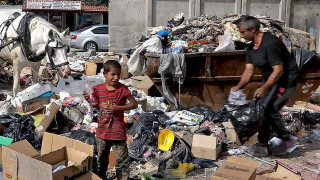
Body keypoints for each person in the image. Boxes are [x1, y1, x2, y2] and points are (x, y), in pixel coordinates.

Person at [230, 15, 299, 156]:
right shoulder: (250, 48)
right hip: (270, 77)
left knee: (269, 107)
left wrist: (263, 88)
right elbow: (248, 72)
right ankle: (262, 143)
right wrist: (238, 87)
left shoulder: (270, 43)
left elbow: (279, 71)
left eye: (243, 32)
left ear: (253, 29)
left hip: (285, 78)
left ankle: (286, 138)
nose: (240, 36)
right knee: (262, 108)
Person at [85, 60, 138, 179]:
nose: (116, 77)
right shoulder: (97, 89)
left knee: (122, 163)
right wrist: (89, 100)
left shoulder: (122, 89)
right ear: (105, 74)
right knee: (101, 162)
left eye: (118, 74)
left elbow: (134, 104)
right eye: (112, 74)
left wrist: (118, 108)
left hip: (118, 133)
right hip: (102, 133)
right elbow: (96, 107)